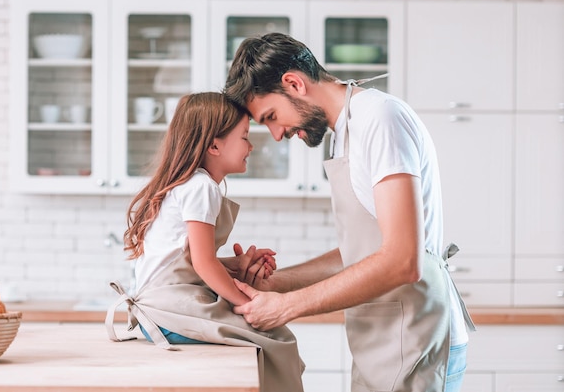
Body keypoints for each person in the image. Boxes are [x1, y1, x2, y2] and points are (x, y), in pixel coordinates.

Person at [224, 33, 476, 392]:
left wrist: (288, 306)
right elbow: (363, 253)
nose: (277, 134)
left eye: (271, 116)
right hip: (385, 339)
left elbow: (403, 259)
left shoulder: (380, 118)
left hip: (418, 339)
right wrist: (276, 284)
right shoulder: (344, 132)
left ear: (294, 83)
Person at [105, 92, 305, 392]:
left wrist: (235, 267)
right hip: (171, 313)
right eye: (245, 137)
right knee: (277, 337)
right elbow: (203, 263)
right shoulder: (202, 188)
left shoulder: (189, 185)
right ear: (214, 145)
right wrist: (249, 304)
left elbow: (184, 262)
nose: (251, 146)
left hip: (162, 310)